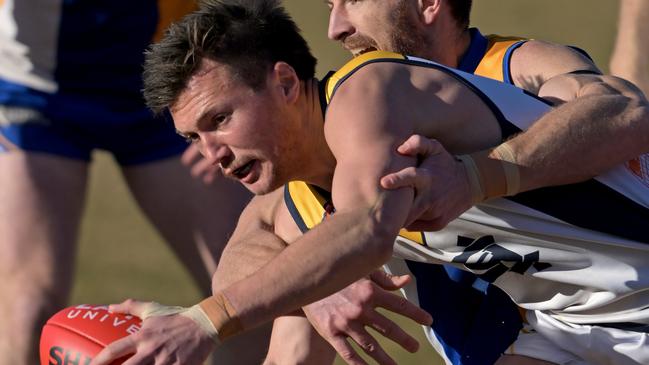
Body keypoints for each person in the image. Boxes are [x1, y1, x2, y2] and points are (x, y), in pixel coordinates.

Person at [91, 1, 649, 364]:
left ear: (285, 82)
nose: (212, 155)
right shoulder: (301, 200)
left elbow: (364, 227)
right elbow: (248, 249)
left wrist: (204, 323)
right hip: (572, 336)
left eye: (220, 120)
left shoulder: (367, 92)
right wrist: (312, 291)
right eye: (193, 138)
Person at [324, 1, 649, 363]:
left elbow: (624, 110)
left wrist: (476, 176)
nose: (335, 29)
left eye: (352, 2)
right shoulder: (350, 131)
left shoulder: (516, 69)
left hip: (613, 324)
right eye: (329, 5)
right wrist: (318, 285)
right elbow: (265, 227)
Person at [0, 1, 256, 363]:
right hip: (35, 91)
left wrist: (228, 100)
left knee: (246, 292)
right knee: (29, 308)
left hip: (174, 84)